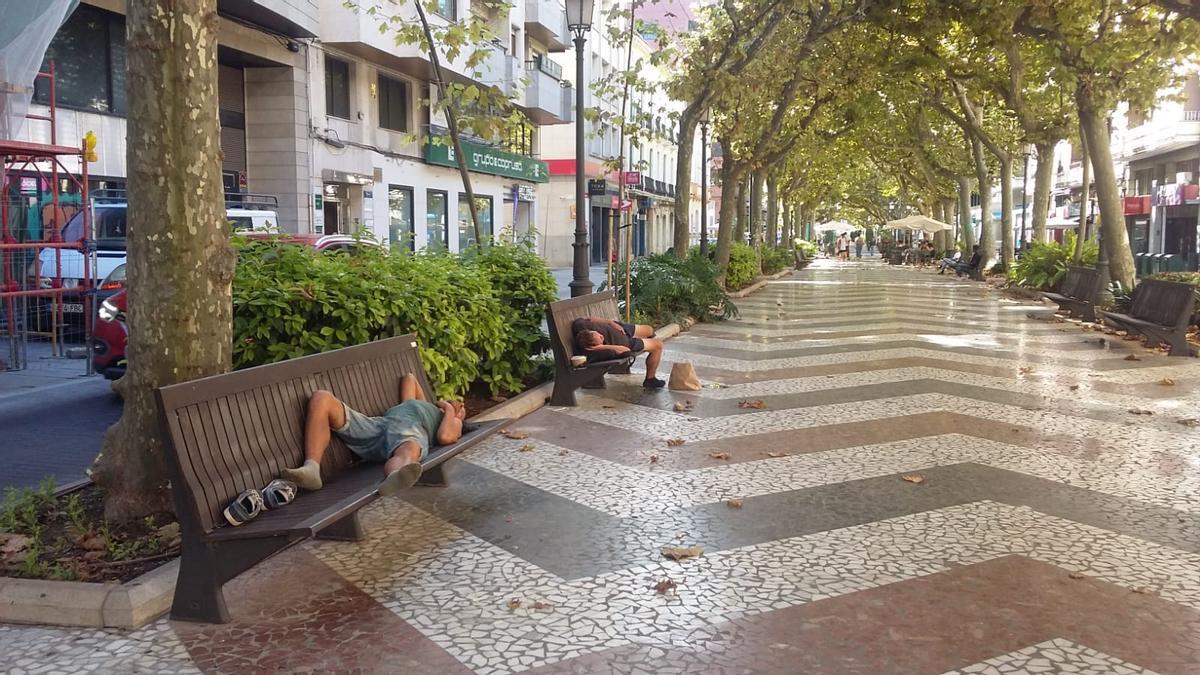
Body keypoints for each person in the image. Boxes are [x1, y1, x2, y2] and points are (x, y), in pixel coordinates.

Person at [280, 374, 464, 496]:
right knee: (322, 397)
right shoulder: (418, 405)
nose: (458, 402)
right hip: (379, 426)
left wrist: (451, 411)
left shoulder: (451, 420)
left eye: (461, 405)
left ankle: (395, 475)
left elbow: (445, 437)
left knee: (410, 448)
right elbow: (409, 378)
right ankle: (312, 467)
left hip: (411, 434)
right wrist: (432, 403)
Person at [573, 316, 665, 388]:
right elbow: (626, 351)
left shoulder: (579, 325)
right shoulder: (597, 351)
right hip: (628, 343)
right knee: (658, 345)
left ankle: (646, 343)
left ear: (591, 331)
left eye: (598, 334)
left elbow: (590, 318)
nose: (601, 337)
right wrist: (603, 346)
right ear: (595, 346)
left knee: (649, 330)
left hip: (620, 328)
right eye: (600, 341)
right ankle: (650, 379)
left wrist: (611, 323)